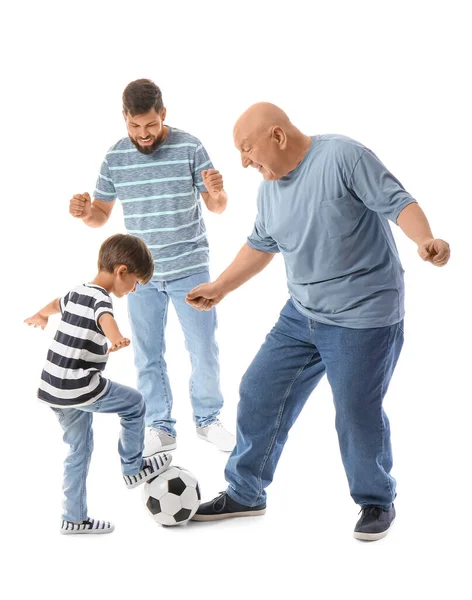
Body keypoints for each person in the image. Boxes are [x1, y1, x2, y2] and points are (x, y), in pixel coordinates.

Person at [186, 103, 450, 541]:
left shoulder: (343, 156)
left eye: (247, 149)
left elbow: (398, 202)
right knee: (258, 389)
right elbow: (260, 245)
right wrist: (220, 287)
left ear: (278, 136)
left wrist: (426, 240)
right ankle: (246, 492)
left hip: (363, 316)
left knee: (355, 412)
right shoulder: (269, 189)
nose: (244, 162)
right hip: (303, 312)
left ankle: (375, 500)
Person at [69, 79, 235, 455]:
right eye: (135, 127)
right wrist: (85, 214)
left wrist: (218, 190)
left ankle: (208, 420)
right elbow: (101, 216)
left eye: (151, 125)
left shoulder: (190, 147)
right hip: (140, 275)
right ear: (125, 118)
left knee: (203, 348)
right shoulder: (114, 158)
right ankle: (160, 426)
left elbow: (217, 206)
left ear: (163, 115)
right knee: (147, 352)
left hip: (190, 266)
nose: (144, 135)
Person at [24, 234, 172, 534]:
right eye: (135, 282)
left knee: (79, 450)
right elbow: (105, 318)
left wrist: (41, 314)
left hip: (53, 388)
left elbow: (56, 303)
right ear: (121, 271)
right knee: (134, 404)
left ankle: (73, 518)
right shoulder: (101, 298)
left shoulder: (77, 290)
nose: (134, 289)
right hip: (78, 386)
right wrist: (116, 337)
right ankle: (133, 469)